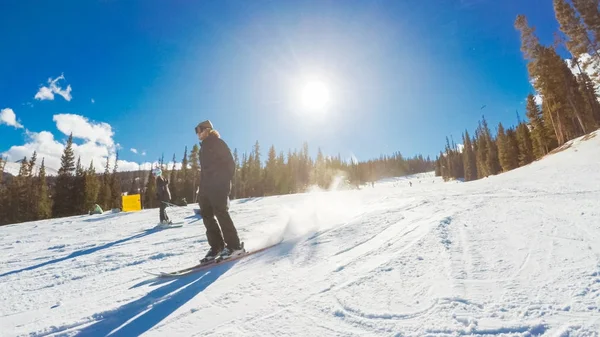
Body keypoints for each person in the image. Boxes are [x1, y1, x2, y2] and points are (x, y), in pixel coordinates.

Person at [195, 120, 244, 262]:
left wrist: (222, 181)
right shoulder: (203, 148)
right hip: (206, 187)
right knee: (206, 215)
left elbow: (230, 163)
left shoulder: (217, 142)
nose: (197, 133)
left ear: (208, 129)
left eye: (199, 129)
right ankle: (217, 246)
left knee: (220, 212)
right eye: (196, 130)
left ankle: (235, 246)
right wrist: (201, 188)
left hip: (218, 185)